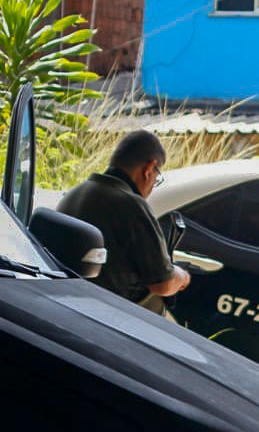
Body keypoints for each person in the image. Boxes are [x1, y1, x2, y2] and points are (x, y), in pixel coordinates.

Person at [57, 130, 190, 313]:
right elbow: (163, 283)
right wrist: (182, 276)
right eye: (156, 178)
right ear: (149, 169)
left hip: (73, 306)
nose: (153, 185)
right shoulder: (131, 205)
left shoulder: (75, 193)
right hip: (117, 319)